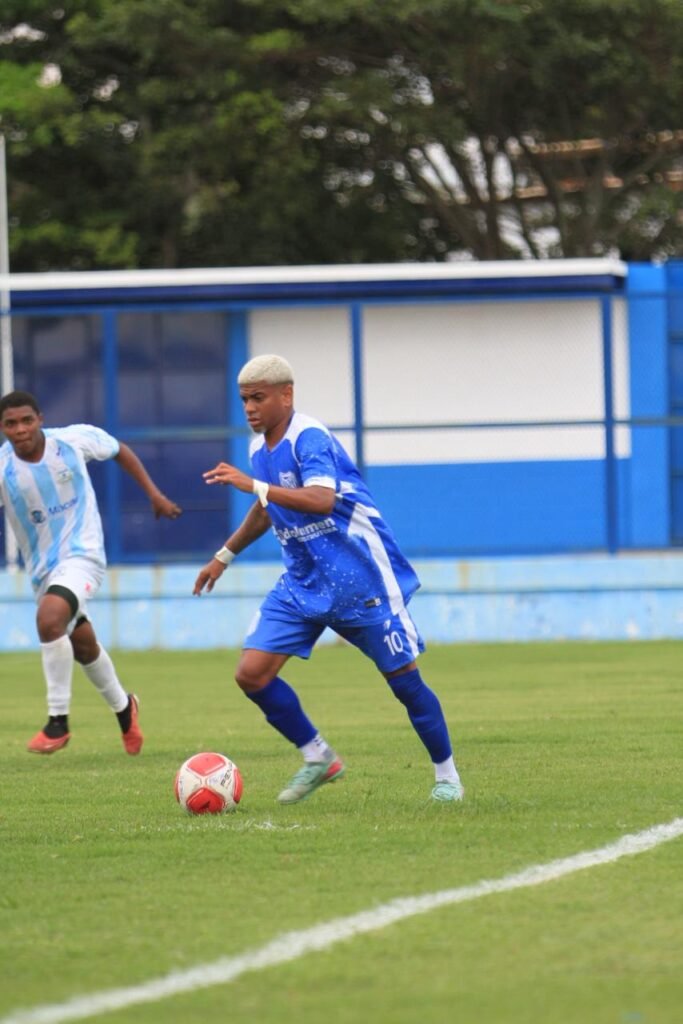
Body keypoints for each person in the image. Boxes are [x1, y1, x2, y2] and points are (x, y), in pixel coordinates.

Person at [193, 354, 464, 804]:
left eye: (258, 398)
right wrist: (224, 556)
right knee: (252, 675)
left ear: (286, 395)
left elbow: (320, 499)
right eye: (244, 400)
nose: (250, 408)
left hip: (360, 578)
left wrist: (253, 485)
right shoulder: (258, 451)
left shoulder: (309, 437)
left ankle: (447, 777)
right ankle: (318, 756)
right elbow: (267, 508)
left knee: (405, 683)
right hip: (303, 581)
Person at [0, 390, 182, 755]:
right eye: (10, 424)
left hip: (84, 554)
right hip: (43, 571)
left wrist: (154, 494)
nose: (20, 430)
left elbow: (119, 450)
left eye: (27, 421)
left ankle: (57, 721)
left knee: (49, 619)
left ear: (40, 419)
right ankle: (125, 709)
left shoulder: (72, 441)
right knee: (83, 647)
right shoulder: (5, 469)